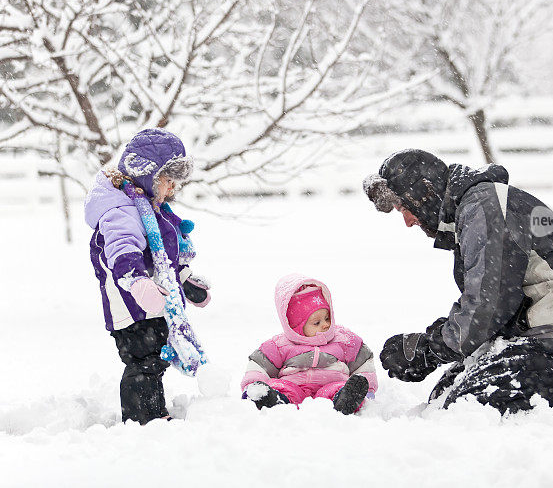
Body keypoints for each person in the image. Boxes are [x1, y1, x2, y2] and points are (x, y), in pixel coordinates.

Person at [363, 149, 553, 416]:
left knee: (472, 405)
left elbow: (490, 302)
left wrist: (430, 350)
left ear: (425, 192)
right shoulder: (475, 208)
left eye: (404, 209)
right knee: (445, 394)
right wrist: (433, 341)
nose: (408, 222)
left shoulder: (483, 206)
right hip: (529, 333)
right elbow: (489, 299)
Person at [84, 128, 212, 424]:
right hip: (129, 303)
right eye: (169, 181)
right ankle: (143, 419)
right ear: (148, 175)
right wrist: (138, 283)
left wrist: (184, 280)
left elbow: (162, 256)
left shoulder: (148, 206)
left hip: (153, 298)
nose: (173, 189)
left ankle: (156, 413)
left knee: (155, 358)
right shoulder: (120, 210)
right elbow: (122, 251)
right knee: (142, 360)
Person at [240, 273, 378, 415]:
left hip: (330, 384)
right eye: (316, 322)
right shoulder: (280, 344)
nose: (325, 325)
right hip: (294, 385)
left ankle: (346, 398)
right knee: (280, 386)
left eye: (327, 318)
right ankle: (272, 398)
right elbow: (258, 365)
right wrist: (252, 384)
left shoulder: (343, 339)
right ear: (295, 327)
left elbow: (363, 362)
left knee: (338, 388)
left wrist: (367, 388)